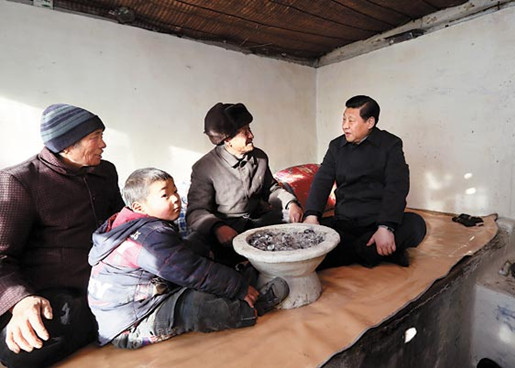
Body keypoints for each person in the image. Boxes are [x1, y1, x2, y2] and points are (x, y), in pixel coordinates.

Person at [87, 168, 289, 349]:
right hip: (133, 323)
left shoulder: (131, 224)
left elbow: (181, 258)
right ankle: (251, 308)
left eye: (174, 191)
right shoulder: (148, 238)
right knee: (195, 304)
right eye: (165, 195)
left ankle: (238, 281)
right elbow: (191, 271)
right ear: (139, 207)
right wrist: (238, 287)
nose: (175, 198)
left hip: (143, 300)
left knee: (198, 244)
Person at [0, 104, 124, 367]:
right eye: (95, 137)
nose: (104, 144)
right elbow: (1, 256)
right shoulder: (19, 181)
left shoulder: (106, 171)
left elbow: (120, 222)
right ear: (67, 146)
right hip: (53, 292)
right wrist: (20, 301)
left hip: (109, 279)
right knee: (18, 353)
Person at [303, 95, 426, 269]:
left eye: (351, 120)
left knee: (416, 224)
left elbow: (396, 187)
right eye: (344, 119)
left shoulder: (390, 145)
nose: (345, 125)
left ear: (370, 122)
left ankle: (355, 250)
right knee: (309, 232)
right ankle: (376, 252)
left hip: (376, 221)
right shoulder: (336, 147)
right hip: (344, 223)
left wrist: (386, 227)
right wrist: (312, 215)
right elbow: (322, 180)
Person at [186, 102, 303, 266]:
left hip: (256, 223)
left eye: (250, 129)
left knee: (300, 226)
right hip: (227, 229)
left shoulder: (260, 157)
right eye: (245, 132)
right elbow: (196, 211)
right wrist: (218, 228)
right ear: (228, 140)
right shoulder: (204, 168)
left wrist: (290, 204)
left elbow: (271, 190)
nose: (252, 135)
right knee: (193, 247)